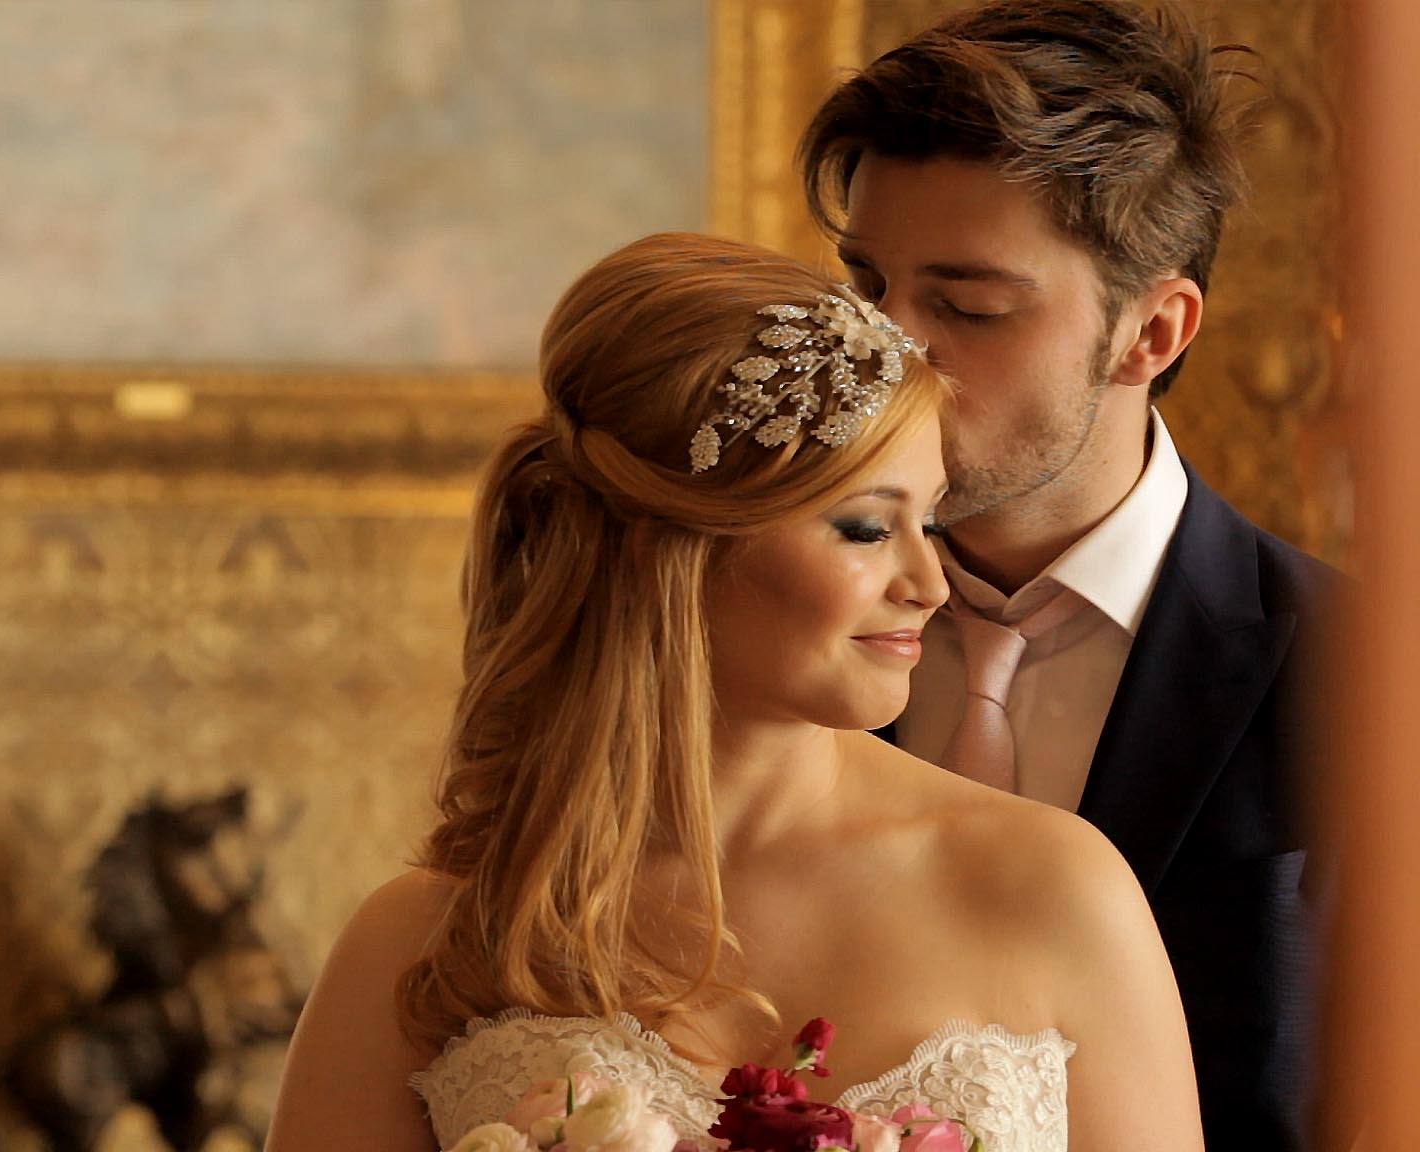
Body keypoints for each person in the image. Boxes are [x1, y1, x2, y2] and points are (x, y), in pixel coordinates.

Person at [265, 233, 1202, 1152]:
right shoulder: (431, 939)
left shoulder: (1052, 888)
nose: (930, 584)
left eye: (930, 521)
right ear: (671, 548)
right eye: (866, 529)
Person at [796, 2, 1338, 1148]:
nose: (883, 351)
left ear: (1152, 333)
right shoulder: (755, 625)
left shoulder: (1371, 675)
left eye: (965, 305)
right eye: (865, 285)